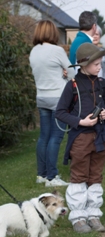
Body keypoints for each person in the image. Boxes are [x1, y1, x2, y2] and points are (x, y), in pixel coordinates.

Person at [56, 43, 105, 233]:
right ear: (83, 64)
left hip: (101, 136)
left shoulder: (102, 84)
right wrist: (81, 122)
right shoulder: (72, 85)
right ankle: (78, 217)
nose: (99, 67)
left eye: (100, 63)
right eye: (96, 64)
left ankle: (94, 214)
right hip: (81, 137)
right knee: (79, 176)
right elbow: (60, 112)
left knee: (95, 176)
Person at [29, 19, 75, 187]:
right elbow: (72, 73)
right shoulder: (57, 50)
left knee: (44, 137)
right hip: (57, 97)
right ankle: (52, 177)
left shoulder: (34, 51)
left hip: (41, 96)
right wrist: (64, 73)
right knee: (56, 137)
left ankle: (41, 174)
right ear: (53, 33)